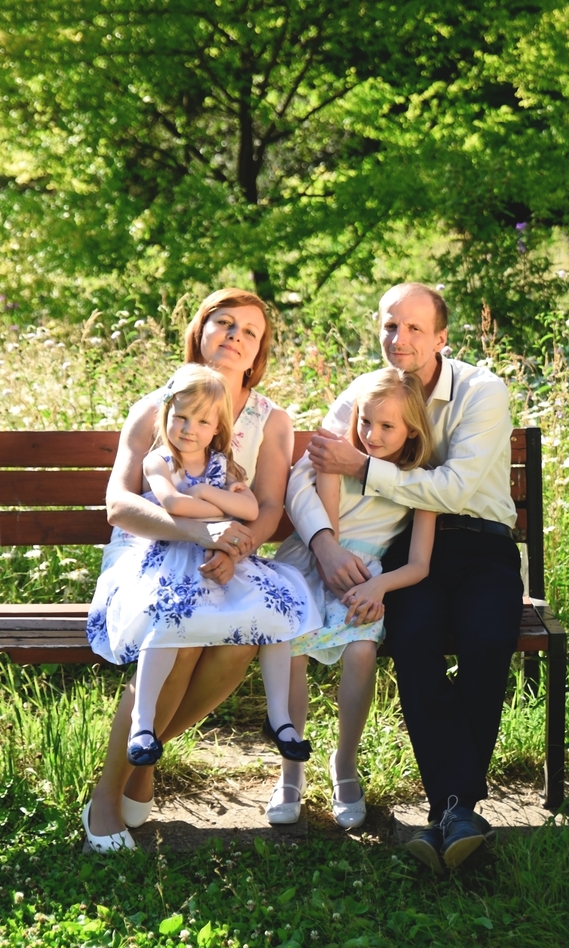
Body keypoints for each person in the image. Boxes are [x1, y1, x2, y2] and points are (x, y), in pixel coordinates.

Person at [282, 281, 524, 871]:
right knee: (413, 640)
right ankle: (457, 811)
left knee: (488, 638)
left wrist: (363, 466)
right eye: (391, 325)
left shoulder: (482, 391)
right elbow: (307, 473)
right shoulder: (368, 392)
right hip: (408, 552)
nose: (400, 338)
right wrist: (324, 544)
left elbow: (455, 489)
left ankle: (452, 806)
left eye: (415, 327)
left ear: (442, 337)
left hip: (482, 546)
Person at [83, 288, 315, 853]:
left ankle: (145, 758)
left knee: (242, 640)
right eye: (224, 323)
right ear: (200, 331)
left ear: (258, 351)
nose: (235, 335)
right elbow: (119, 504)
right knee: (180, 631)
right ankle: (107, 798)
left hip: (226, 555)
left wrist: (234, 548)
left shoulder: (271, 420)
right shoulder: (159, 406)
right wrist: (197, 533)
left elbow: (266, 507)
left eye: (249, 331)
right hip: (147, 552)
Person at [271, 368, 436, 828]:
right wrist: (337, 573)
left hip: (367, 578)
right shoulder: (336, 463)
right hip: (314, 564)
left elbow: (419, 565)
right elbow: (331, 539)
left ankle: (345, 762)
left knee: (362, 650)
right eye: (365, 421)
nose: (372, 435)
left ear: (412, 430)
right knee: (290, 649)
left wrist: (378, 586)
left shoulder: (420, 482)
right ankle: (290, 768)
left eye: (387, 426)